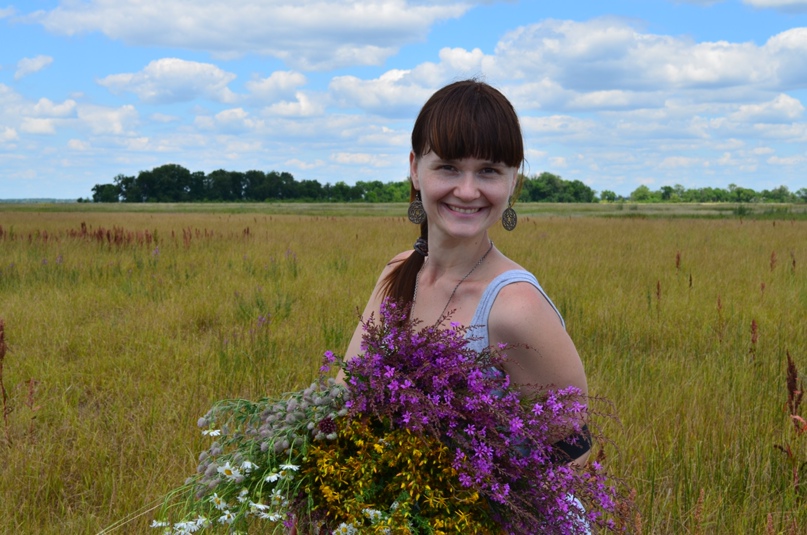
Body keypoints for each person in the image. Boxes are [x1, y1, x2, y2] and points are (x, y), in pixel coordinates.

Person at [341, 79, 591, 465]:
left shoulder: (515, 307)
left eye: (488, 170)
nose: (468, 191)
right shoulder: (396, 272)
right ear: (414, 169)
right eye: (449, 167)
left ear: (513, 180)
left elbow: (573, 460)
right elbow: (342, 399)